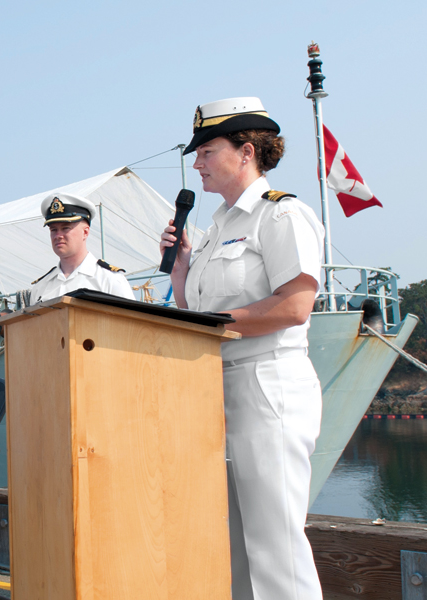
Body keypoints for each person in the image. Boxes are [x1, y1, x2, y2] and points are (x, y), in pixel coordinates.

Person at [160, 97, 326, 600]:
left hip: (266, 384)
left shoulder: (282, 216)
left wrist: (210, 323)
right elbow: (193, 310)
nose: (197, 163)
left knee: (275, 544)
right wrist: (181, 266)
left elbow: (295, 307)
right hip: (218, 389)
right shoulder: (215, 231)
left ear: (246, 151)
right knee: (231, 542)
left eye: (206, 151)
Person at [30, 192, 135, 303]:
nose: (58, 236)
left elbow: (130, 319)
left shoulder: (110, 279)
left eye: (66, 228)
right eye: (53, 230)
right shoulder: (41, 287)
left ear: (85, 232)